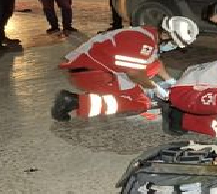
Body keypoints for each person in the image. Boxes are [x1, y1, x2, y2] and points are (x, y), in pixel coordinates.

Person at [50, 16, 199, 121]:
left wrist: (170, 81)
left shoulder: (149, 34)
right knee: (140, 103)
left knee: (152, 67)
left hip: (96, 67)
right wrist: (154, 87)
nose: (173, 47)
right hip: (91, 73)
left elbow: (155, 63)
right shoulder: (143, 42)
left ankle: (109, 90)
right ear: (166, 35)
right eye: (174, 43)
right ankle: (74, 101)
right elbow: (134, 73)